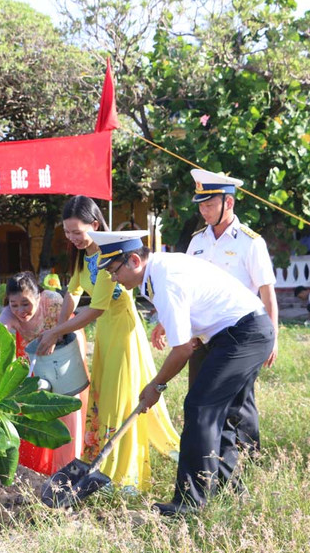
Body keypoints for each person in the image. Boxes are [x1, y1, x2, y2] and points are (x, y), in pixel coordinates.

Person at [92, 230, 275, 515]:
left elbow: (182, 349)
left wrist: (156, 385)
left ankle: (190, 502)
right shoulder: (156, 273)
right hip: (238, 332)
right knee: (221, 414)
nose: (113, 278)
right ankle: (230, 493)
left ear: (134, 261)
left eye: (114, 271)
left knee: (200, 407)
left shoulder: (165, 280)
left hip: (244, 333)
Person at [36, 196, 180, 491]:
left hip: (122, 332)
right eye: (67, 232)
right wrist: (60, 330)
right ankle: (101, 465)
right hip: (105, 334)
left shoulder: (107, 254)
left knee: (121, 401)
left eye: (77, 231)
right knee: (104, 399)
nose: (72, 238)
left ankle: (125, 476)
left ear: (95, 225)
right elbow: (73, 294)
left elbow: (96, 308)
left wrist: (55, 333)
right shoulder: (82, 256)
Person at [153, 167, 279, 452]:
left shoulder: (251, 242)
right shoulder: (198, 241)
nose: (205, 212)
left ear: (229, 203)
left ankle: (245, 466)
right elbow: (181, 286)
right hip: (203, 337)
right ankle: (207, 465)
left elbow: (267, 293)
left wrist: (273, 337)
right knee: (200, 400)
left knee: (239, 405)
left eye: (210, 205)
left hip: (239, 336)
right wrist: (165, 321)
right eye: (201, 205)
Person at [0, 271, 88, 475]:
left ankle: (70, 467)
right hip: (35, 363)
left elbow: (72, 329)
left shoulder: (52, 302)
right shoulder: (7, 317)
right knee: (36, 413)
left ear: (38, 296)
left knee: (69, 411)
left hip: (65, 355)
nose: (20, 310)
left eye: (25, 303)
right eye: (14, 304)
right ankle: (37, 470)